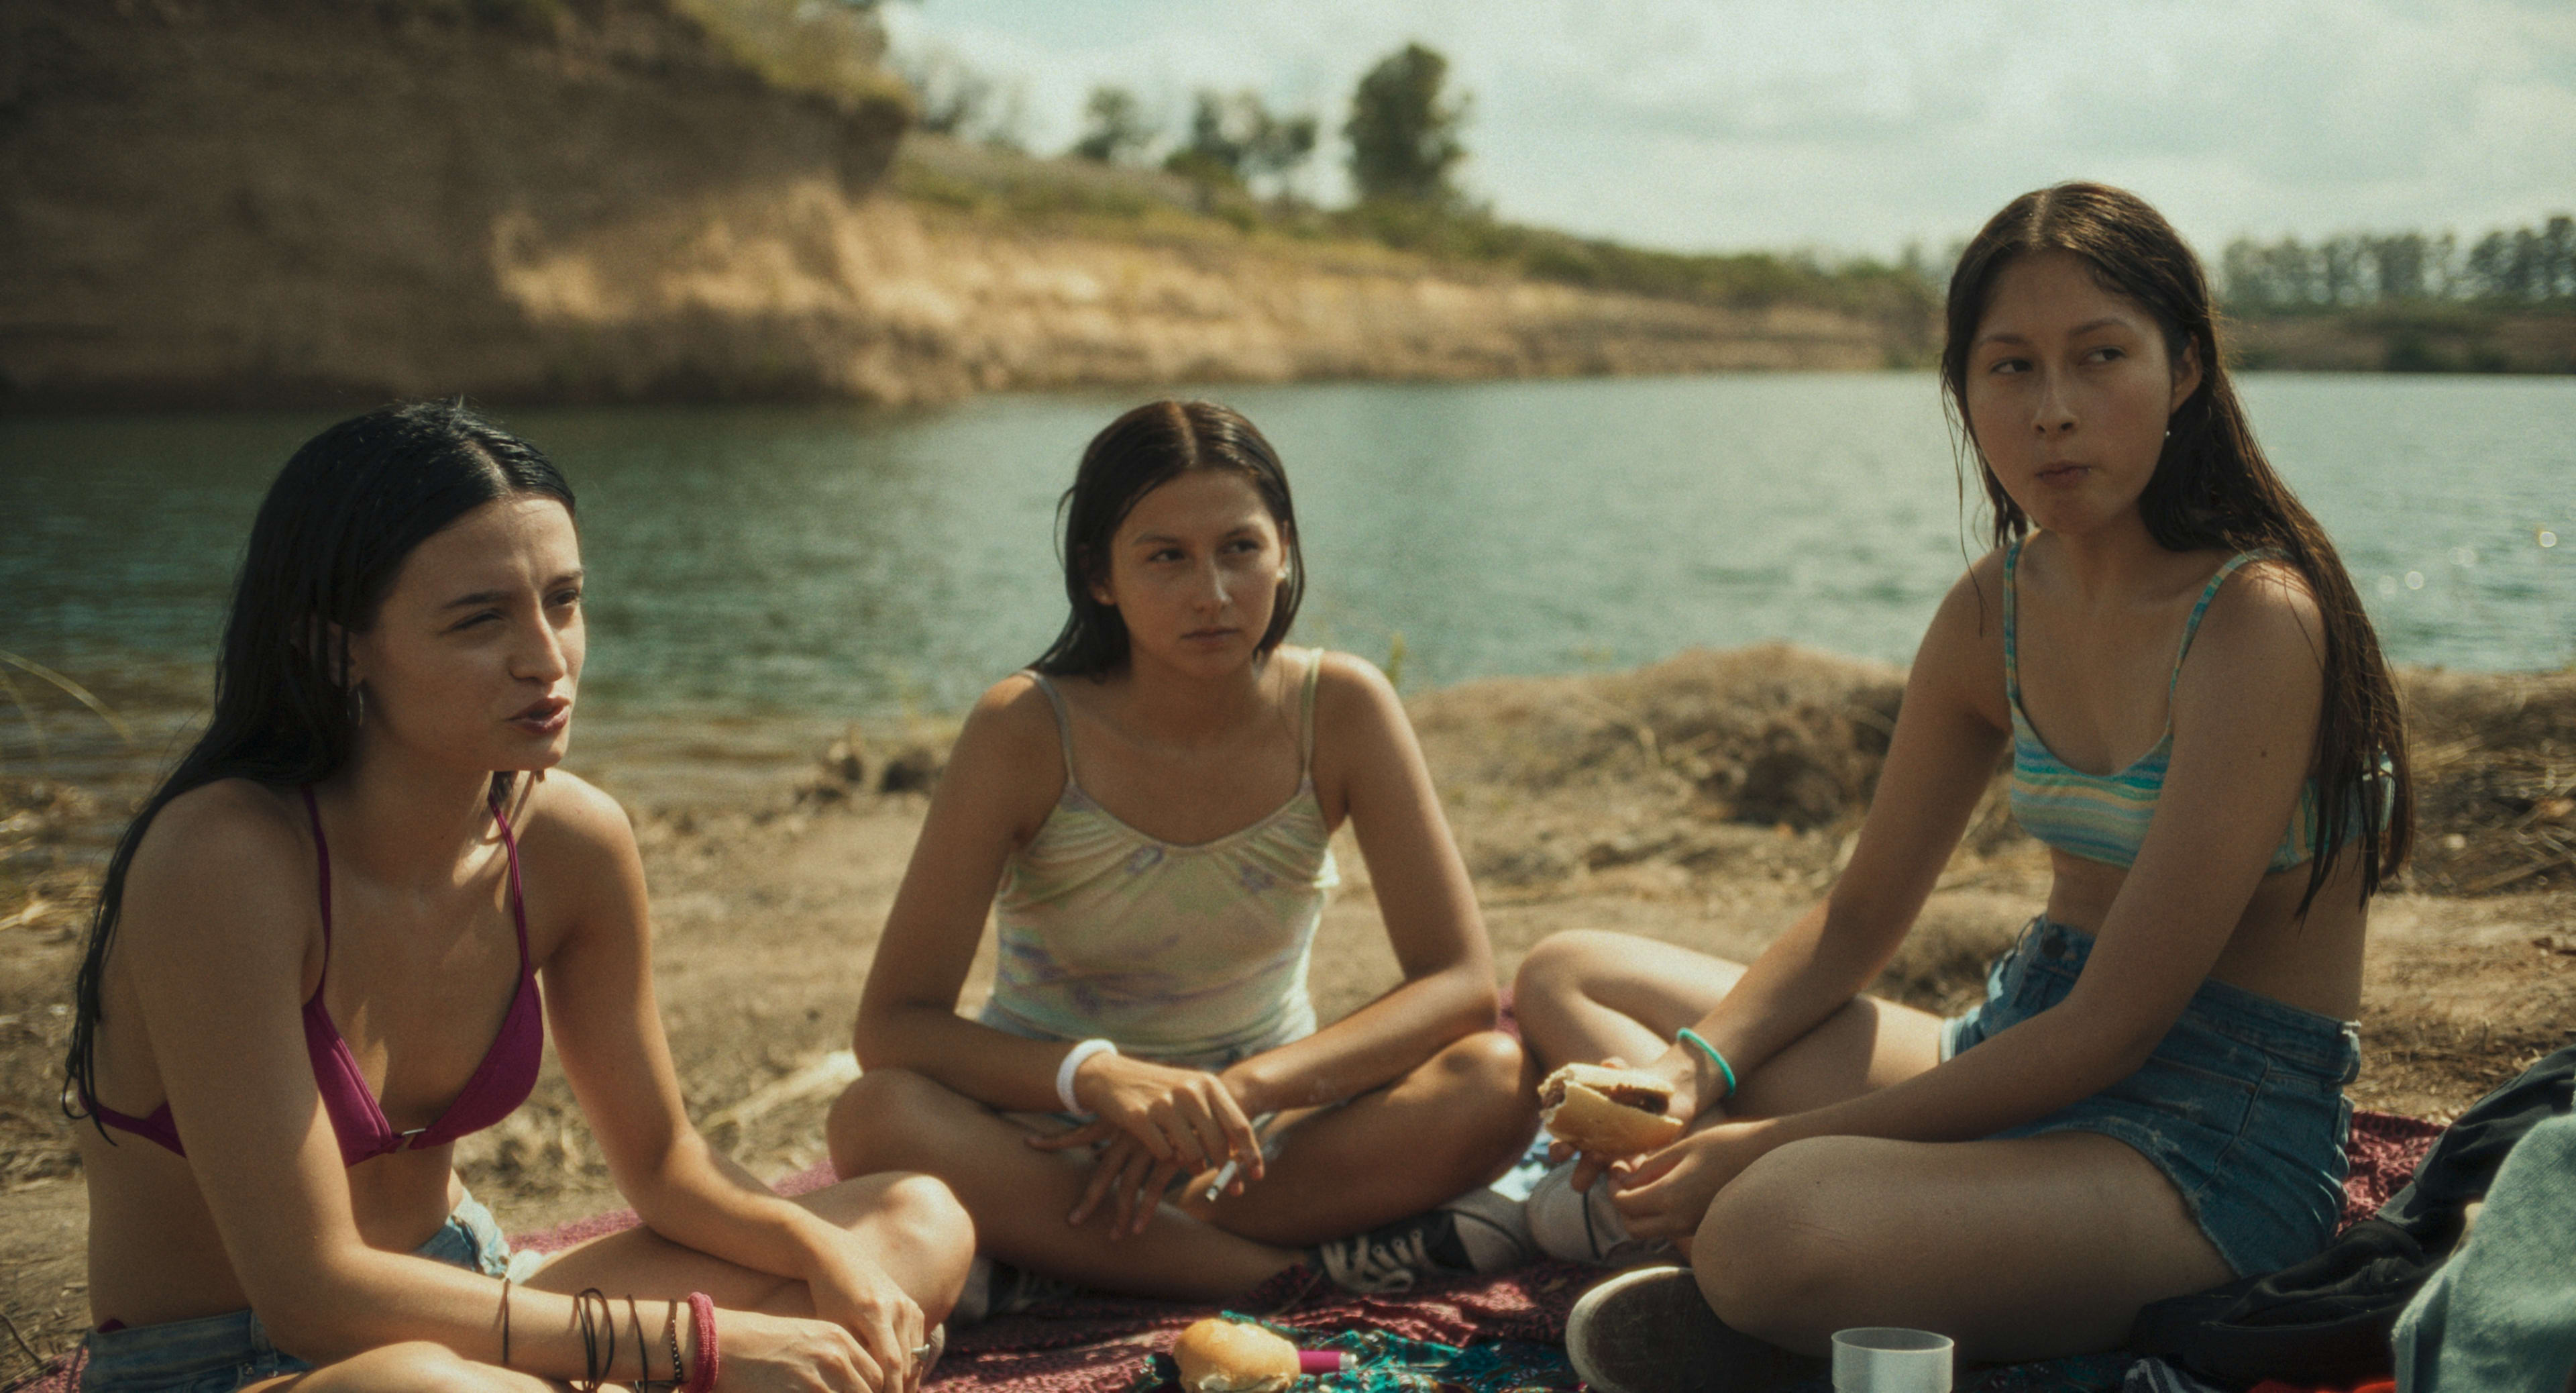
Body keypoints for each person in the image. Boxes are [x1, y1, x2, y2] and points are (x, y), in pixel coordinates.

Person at [1512, 183, 2414, 1378]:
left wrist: (1768, 1146)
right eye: (2010, 369)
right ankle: (1820, 1238)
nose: (2054, 413)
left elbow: (2114, 1030)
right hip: (2018, 1037)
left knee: (1774, 1223)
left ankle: (1774, 1262)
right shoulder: (1995, 607)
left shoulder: (2257, 623)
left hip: (2206, 1139)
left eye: (2102, 360)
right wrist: (1693, 1072)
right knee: (1568, 971)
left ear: (2185, 369)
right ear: (1963, 390)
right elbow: (1859, 915)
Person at [64, 402, 974, 1393]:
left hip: (472, 1302)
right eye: (479, 619)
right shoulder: (224, 862)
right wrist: (704, 1348)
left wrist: (814, 1252)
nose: (547, 657)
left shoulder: (568, 843)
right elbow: (309, 1292)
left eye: (565, 602)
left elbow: (666, 1161)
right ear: (337, 649)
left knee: (914, 1224)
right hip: (236, 1365)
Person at [825, 399, 1538, 1309]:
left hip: (1258, 1141)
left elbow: (1460, 984)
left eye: (1240, 548)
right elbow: (895, 1026)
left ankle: (1078, 1263)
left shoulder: (1343, 708)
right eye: (1166, 557)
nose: (1213, 593)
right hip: (1050, 1136)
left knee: (1498, 1079)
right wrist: (1097, 1078)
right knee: (877, 1117)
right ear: (1100, 577)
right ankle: (1280, 1279)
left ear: (1283, 548)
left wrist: (1243, 1089)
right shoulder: (1027, 728)